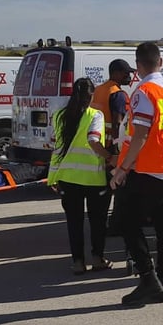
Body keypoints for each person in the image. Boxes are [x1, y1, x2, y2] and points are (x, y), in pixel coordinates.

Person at [111, 42, 163, 307]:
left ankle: (148, 278)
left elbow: (141, 134)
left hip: (151, 169)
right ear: (159, 62)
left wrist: (123, 169)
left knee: (126, 221)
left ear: (139, 65)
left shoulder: (144, 91)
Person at [49, 77, 113, 275]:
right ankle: (97, 258)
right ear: (92, 95)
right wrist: (111, 157)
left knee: (74, 222)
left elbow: (57, 145)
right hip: (93, 178)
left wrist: (53, 177)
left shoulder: (59, 115)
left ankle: (78, 262)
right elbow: (94, 140)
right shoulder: (96, 115)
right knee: (97, 221)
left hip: (67, 176)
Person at [91, 59, 132, 236]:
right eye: (125, 73)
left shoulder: (99, 90)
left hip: (99, 145)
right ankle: (116, 225)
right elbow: (118, 122)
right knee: (118, 187)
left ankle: (101, 224)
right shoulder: (117, 94)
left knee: (103, 189)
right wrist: (120, 150)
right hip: (112, 148)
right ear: (115, 73)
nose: (129, 76)